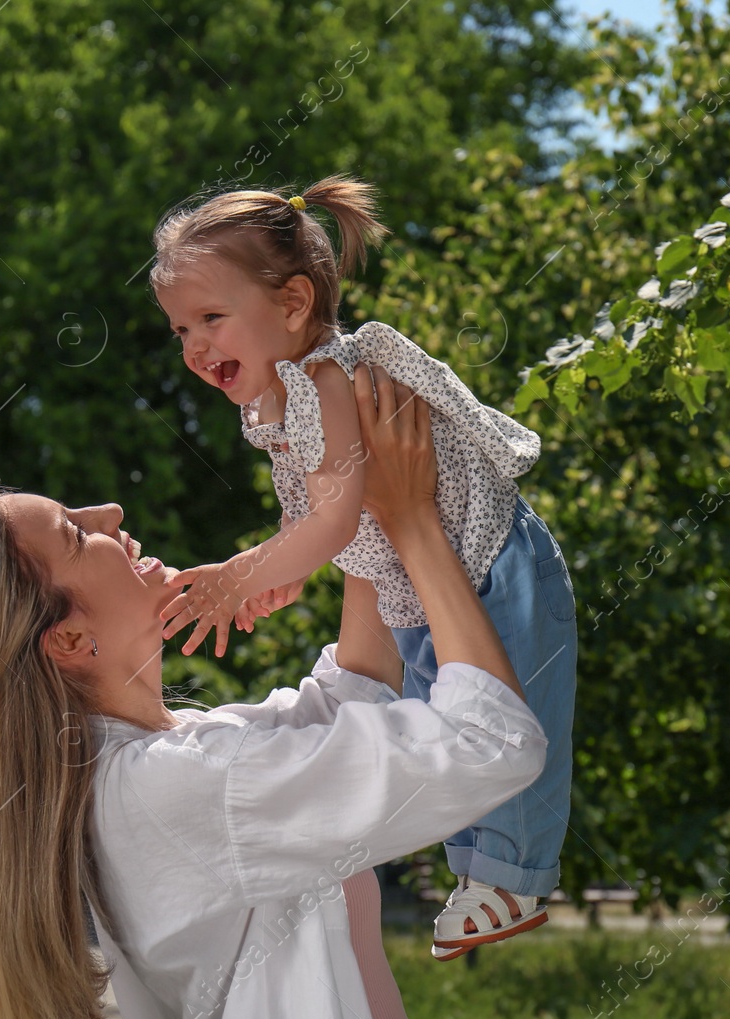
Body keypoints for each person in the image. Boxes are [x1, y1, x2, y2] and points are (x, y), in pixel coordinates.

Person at [0, 367, 548, 1019]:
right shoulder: (173, 790)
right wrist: (415, 522)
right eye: (76, 537)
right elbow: (490, 741)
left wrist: (355, 503)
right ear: (71, 640)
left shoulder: (143, 773)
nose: (110, 512)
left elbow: (350, 696)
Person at [150, 174, 577, 960]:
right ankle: (479, 872)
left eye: (211, 318)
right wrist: (285, 566)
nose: (195, 345)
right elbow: (312, 509)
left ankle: (515, 876)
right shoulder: (279, 401)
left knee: (519, 712)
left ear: (292, 305)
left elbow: (339, 515)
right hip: (416, 588)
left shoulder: (327, 378)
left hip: (492, 562)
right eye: (180, 329)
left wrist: (242, 573)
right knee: (445, 715)